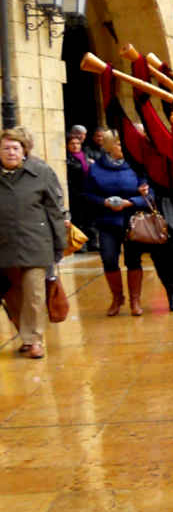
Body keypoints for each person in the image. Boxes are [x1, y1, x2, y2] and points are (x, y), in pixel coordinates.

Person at [0, 128, 67, 359]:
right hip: (4, 244)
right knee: (12, 295)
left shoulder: (41, 172)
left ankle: (35, 339)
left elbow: (55, 210)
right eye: (5, 148)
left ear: (24, 151)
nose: (10, 153)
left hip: (35, 242)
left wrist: (60, 243)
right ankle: (25, 336)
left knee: (34, 293)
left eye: (15, 148)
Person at [80, 129, 156, 317]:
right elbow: (87, 194)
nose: (122, 147)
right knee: (108, 258)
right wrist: (104, 202)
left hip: (132, 220)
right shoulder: (96, 168)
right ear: (108, 146)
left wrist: (131, 202)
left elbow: (151, 194)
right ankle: (117, 297)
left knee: (133, 260)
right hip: (107, 221)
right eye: (118, 143)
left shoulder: (138, 166)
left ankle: (135, 301)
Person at [65, 127, 94, 251]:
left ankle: (92, 243)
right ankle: (80, 245)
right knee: (78, 219)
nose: (75, 146)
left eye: (77, 143)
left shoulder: (86, 155)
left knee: (90, 219)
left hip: (88, 191)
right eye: (72, 144)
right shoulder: (67, 158)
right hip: (76, 192)